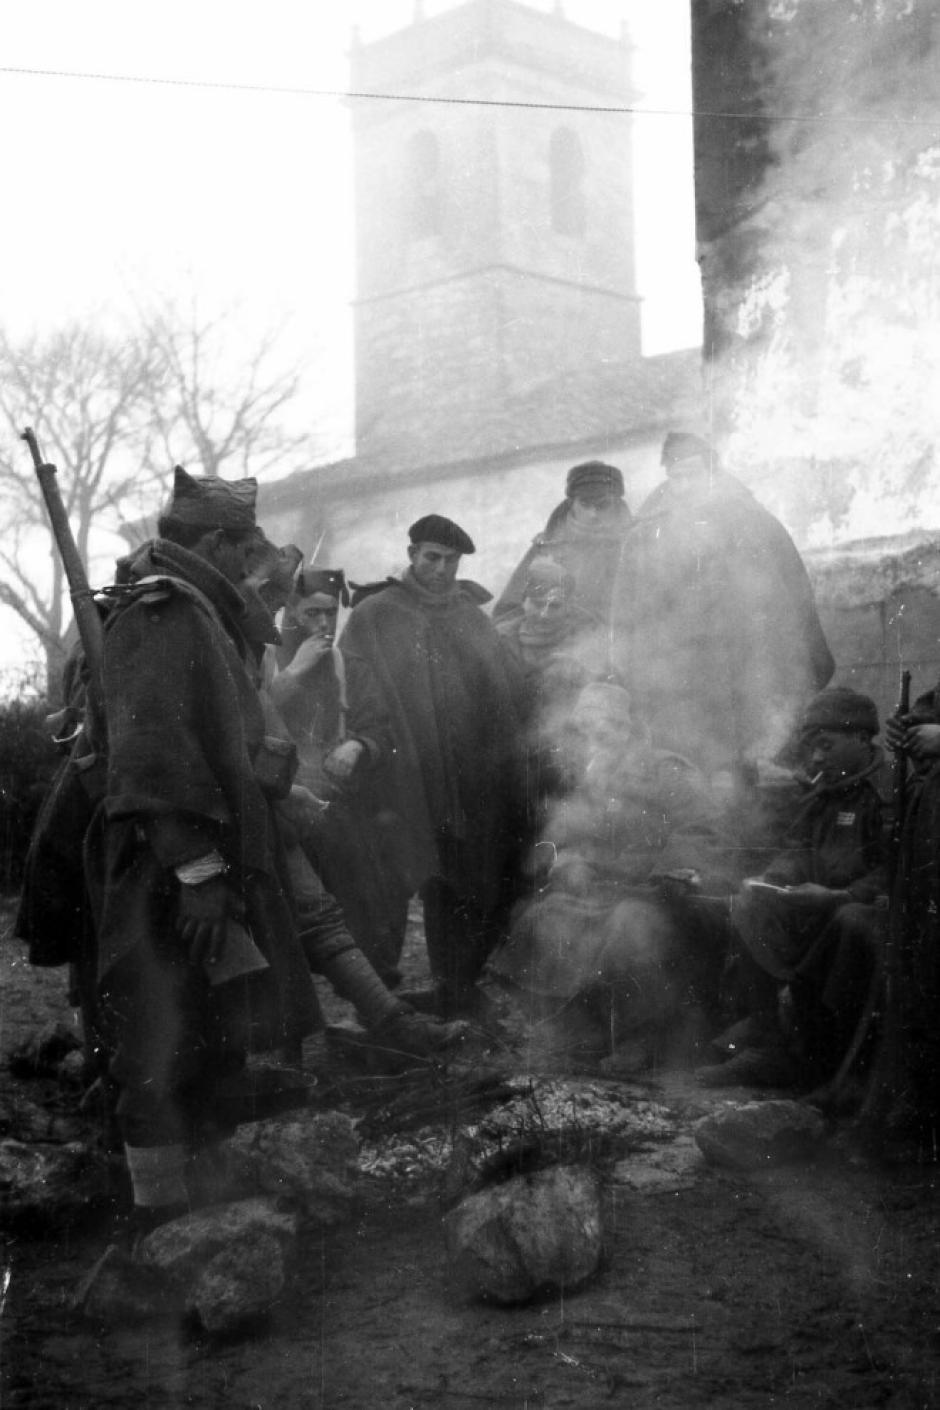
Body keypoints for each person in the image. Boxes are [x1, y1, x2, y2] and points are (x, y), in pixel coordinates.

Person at [79, 466, 323, 1229]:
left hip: (192, 858)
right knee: (152, 1041)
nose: (252, 566)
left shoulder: (190, 606)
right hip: (166, 862)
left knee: (209, 1030)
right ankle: (159, 1224)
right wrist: (200, 873)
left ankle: (206, 1206)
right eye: (243, 547)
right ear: (215, 541)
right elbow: (153, 760)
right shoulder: (161, 611)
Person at [489, 681, 732, 1068]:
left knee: (629, 924)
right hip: (606, 889)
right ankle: (585, 1028)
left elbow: (701, 829)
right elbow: (565, 836)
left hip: (662, 893)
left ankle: (643, 1037)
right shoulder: (591, 778)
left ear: (628, 727)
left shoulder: (666, 769)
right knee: (537, 916)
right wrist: (567, 860)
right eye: (586, 727)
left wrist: (673, 870)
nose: (595, 736)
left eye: (605, 725)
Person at [340, 514, 526, 1017]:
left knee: (467, 877)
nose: (442, 569)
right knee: (395, 879)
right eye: (432, 558)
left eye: (452, 560)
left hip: (469, 774)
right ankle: (375, 1003)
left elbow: (501, 690)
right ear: (412, 555)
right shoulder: (376, 614)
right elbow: (362, 689)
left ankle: (455, 985)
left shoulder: (468, 614)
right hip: (405, 770)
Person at [612, 432, 834, 778]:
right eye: (676, 477)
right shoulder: (645, 535)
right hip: (677, 686)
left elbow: (789, 607)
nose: (684, 486)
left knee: (745, 781)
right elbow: (627, 619)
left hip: (741, 679)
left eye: (693, 475)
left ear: (714, 474)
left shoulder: (754, 523)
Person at [698, 686, 887, 1089]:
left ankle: (832, 1067)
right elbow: (797, 847)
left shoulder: (887, 794)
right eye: (811, 750)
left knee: (849, 923)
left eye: (826, 746)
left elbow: (896, 868)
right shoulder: (826, 792)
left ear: (860, 738)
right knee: (750, 902)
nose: (817, 758)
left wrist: (843, 896)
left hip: (866, 912)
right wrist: (778, 878)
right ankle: (769, 1046)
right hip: (818, 902)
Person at [269, 562, 413, 988]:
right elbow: (253, 718)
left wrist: (359, 745)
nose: (323, 623)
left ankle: (374, 988)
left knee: (377, 877)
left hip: (341, 797)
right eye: (312, 613)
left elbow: (379, 724)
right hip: (283, 797)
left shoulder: (347, 664)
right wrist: (294, 672)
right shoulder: (268, 658)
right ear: (291, 611)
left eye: (330, 612)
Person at [492, 460, 632, 630]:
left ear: (616, 503)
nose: (593, 514)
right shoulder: (547, 547)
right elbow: (507, 611)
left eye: (603, 505)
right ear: (572, 503)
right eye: (585, 504)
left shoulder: (635, 544)